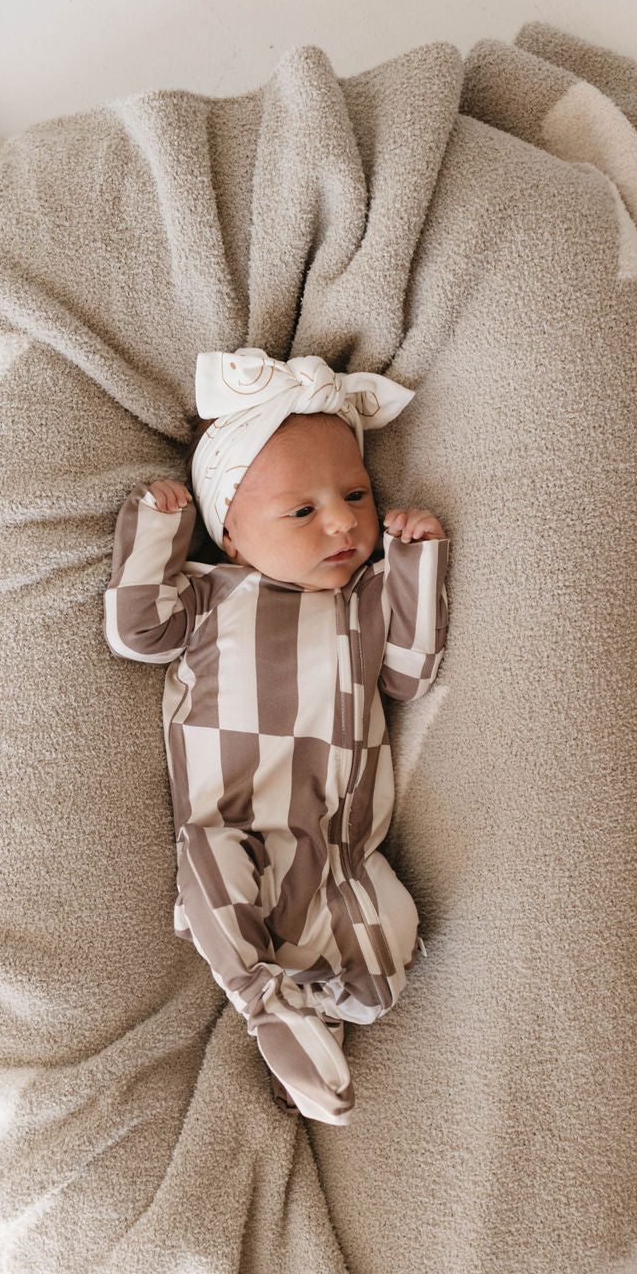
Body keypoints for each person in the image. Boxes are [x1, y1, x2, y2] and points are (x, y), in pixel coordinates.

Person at [104, 347, 449, 1125]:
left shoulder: (359, 603)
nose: (342, 521)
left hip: (336, 847)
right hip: (233, 826)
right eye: (302, 511)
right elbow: (136, 627)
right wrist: (158, 528)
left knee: (389, 937)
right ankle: (266, 1004)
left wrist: (414, 562)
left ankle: (314, 1018)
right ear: (229, 533)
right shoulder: (211, 595)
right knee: (209, 865)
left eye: (356, 494)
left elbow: (410, 670)